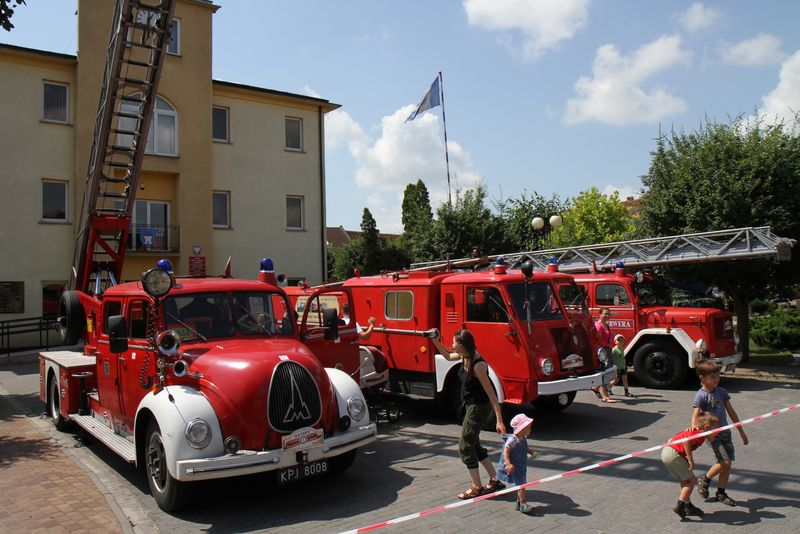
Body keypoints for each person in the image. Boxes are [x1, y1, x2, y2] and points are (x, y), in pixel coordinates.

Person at [432, 329, 507, 500]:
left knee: (465, 446)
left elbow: (492, 395)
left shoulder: (478, 365)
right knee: (474, 442)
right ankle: (495, 479)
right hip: (471, 405)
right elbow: (447, 356)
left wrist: (499, 421)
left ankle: (477, 487)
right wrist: (435, 341)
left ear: (462, 345)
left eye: (454, 342)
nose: (451, 345)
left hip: (479, 407)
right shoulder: (464, 356)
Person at [691, 360, 749, 507]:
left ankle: (721, 493)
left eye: (718, 376)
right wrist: (694, 430)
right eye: (712, 377)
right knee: (725, 462)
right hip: (713, 435)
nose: (716, 379)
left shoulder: (721, 392)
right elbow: (695, 416)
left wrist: (741, 431)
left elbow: (731, 412)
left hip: (725, 433)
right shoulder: (701, 395)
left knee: (727, 466)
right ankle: (705, 479)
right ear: (702, 378)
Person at [661, 411, 720, 520]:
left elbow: (677, 439)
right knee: (691, 480)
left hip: (667, 452)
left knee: (685, 480)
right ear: (707, 427)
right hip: (673, 454)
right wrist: (691, 460)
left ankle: (688, 505)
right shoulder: (699, 435)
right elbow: (686, 442)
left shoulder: (695, 431)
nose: (718, 431)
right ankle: (681, 504)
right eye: (716, 429)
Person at [496, 413, 538, 515]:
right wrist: (508, 463)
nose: (530, 430)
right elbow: (506, 451)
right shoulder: (513, 440)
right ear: (521, 429)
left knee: (521, 485)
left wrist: (531, 452)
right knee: (522, 485)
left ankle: (519, 503)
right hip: (516, 467)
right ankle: (523, 504)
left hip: (522, 466)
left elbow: (525, 448)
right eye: (528, 428)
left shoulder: (522, 438)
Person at [591, 307, 618, 403]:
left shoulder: (606, 325)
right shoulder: (598, 325)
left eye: (608, 314)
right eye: (605, 314)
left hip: (608, 349)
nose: (607, 315)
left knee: (608, 372)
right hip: (603, 351)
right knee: (604, 373)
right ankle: (605, 396)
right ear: (600, 314)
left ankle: (595, 387)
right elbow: (596, 339)